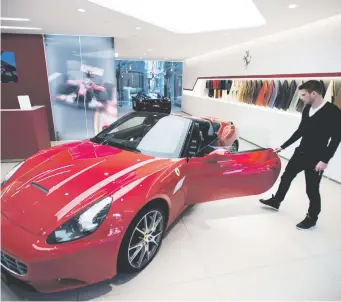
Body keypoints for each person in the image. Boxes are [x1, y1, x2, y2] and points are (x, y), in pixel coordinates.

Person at [259, 80, 341, 230]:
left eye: (303, 95)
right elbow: (300, 131)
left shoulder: (333, 112)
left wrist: (325, 160)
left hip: (317, 158)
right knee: (286, 177)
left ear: (313, 93)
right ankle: (276, 201)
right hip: (301, 153)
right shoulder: (307, 108)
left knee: (312, 189)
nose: (301, 98)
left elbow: (336, 139)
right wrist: (283, 146)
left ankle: (312, 217)